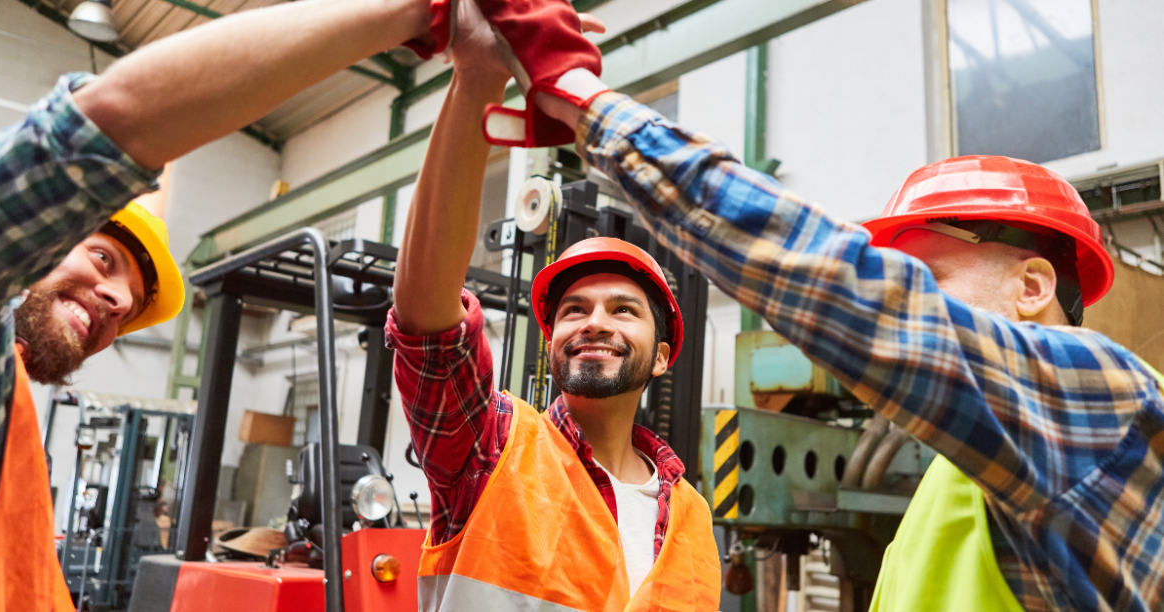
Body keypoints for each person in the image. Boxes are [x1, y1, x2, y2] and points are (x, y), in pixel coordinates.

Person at [472, 15, 1164, 612]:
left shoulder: (1095, 410)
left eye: (925, 278)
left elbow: (836, 283)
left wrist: (582, 98)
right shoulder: (967, 477)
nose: (900, 297)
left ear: (1034, 285)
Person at [0, 1, 437, 609]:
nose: (117, 303)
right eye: (102, 258)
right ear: (47, 234)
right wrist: (416, 12)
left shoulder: (12, 396)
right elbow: (94, 135)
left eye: (125, 313)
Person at [387, 2, 721, 609]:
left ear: (664, 356)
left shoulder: (693, 520)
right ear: (551, 340)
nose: (594, 320)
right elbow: (427, 329)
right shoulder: (491, 451)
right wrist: (479, 80)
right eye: (573, 310)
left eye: (624, 310)